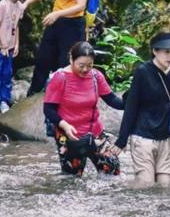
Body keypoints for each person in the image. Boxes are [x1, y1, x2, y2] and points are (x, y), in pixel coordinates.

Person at [110, 31, 170, 188]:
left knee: (165, 186)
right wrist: (121, 140)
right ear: (155, 51)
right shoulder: (143, 72)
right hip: (143, 136)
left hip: (167, 137)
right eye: (166, 52)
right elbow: (131, 106)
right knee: (145, 185)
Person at [43, 41, 123, 177]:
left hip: (95, 132)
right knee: (72, 180)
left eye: (89, 65)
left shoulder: (96, 76)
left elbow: (112, 100)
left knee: (112, 172)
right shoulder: (60, 78)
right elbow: (48, 109)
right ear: (71, 59)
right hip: (69, 134)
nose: (85, 69)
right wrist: (65, 126)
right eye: (81, 65)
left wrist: (133, 100)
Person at [24, 0, 88, 95]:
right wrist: (25, 5)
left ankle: (64, 95)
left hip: (73, 25)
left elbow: (81, 5)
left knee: (65, 61)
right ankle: (34, 91)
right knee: (43, 58)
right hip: (55, 21)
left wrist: (57, 13)